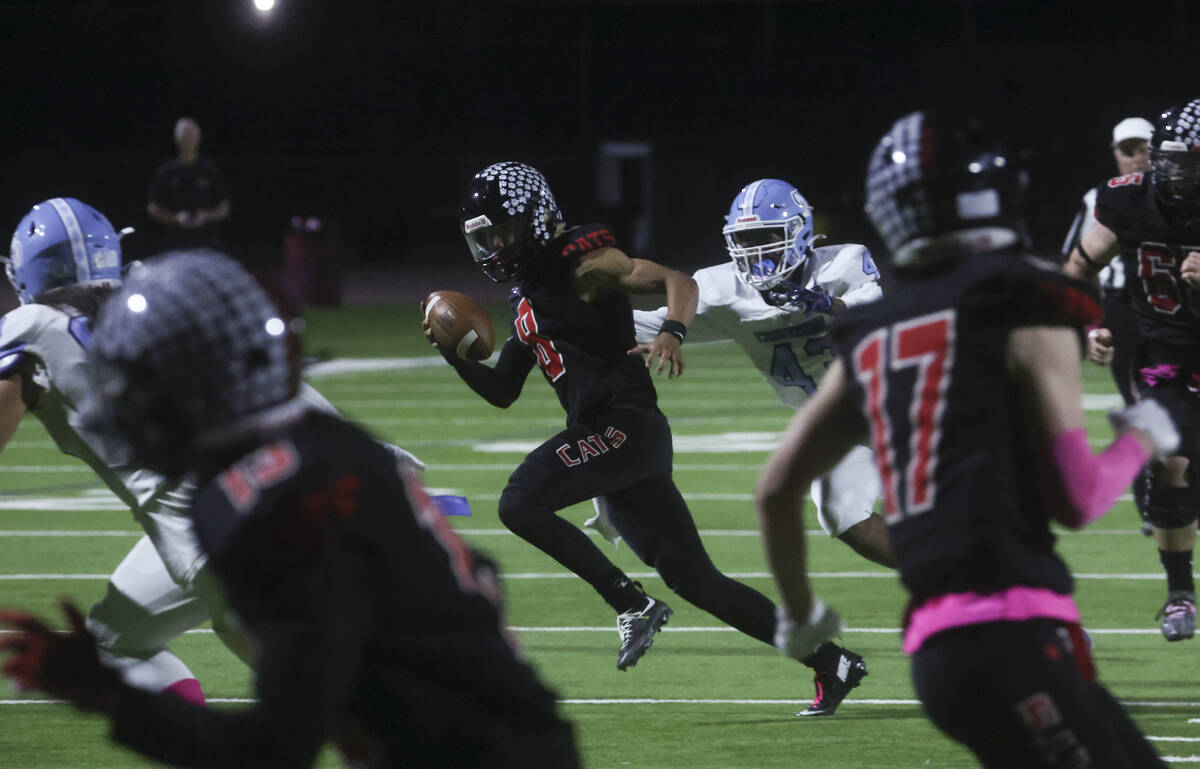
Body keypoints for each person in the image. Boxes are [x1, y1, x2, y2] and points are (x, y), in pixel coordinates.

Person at [1, 250, 580, 769]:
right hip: (502, 732)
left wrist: (108, 696)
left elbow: (272, 746)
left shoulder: (265, 511)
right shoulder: (319, 443)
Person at [758, 110, 1172, 766]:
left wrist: (802, 613)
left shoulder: (871, 332)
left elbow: (777, 488)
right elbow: (1077, 496)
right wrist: (1142, 437)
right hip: (1013, 636)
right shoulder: (1028, 302)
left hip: (937, 652)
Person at [426, 161, 867, 716]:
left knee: (520, 502)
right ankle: (831, 662)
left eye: (501, 232)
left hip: (622, 430)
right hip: (618, 439)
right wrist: (454, 354)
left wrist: (673, 332)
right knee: (696, 579)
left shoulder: (584, 263)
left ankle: (629, 601)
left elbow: (675, 281)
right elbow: (502, 390)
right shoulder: (530, 292)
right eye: (482, 238)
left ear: (535, 220)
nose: (493, 246)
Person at [621, 178, 893, 569]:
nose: (755, 250)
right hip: (839, 425)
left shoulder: (841, 263)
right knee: (842, 513)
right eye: (745, 240)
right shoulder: (722, 287)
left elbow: (874, 312)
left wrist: (821, 302)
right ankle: (949, 581)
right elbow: (642, 325)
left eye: (765, 235)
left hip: (901, 406)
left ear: (800, 232)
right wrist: (564, 314)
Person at [1064, 99, 1200, 642]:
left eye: (1187, 163)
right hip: (1164, 355)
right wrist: (1089, 323)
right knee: (1170, 461)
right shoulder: (1128, 201)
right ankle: (1178, 594)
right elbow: (1077, 265)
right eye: (1166, 160)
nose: (1171, 173)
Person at [1062, 117, 1155, 535]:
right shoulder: (1104, 198)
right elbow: (1075, 265)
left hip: (1181, 308)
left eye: (1145, 147)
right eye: (1128, 149)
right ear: (1116, 154)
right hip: (1124, 309)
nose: (1137, 157)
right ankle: (1155, 507)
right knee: (1143, 406)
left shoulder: (1180, 195)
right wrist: (1090, 325)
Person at [146, 117, 231, 252]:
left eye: (191, 135)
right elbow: (153, 207)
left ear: (199, 138)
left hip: (207, 245)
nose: (188, 140)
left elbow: (224, 208)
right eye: (184, 135)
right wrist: (175, 218)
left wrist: (206, 216)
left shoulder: (210, 170)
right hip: (174, 246)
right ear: (177, 139)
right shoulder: (167, 172)